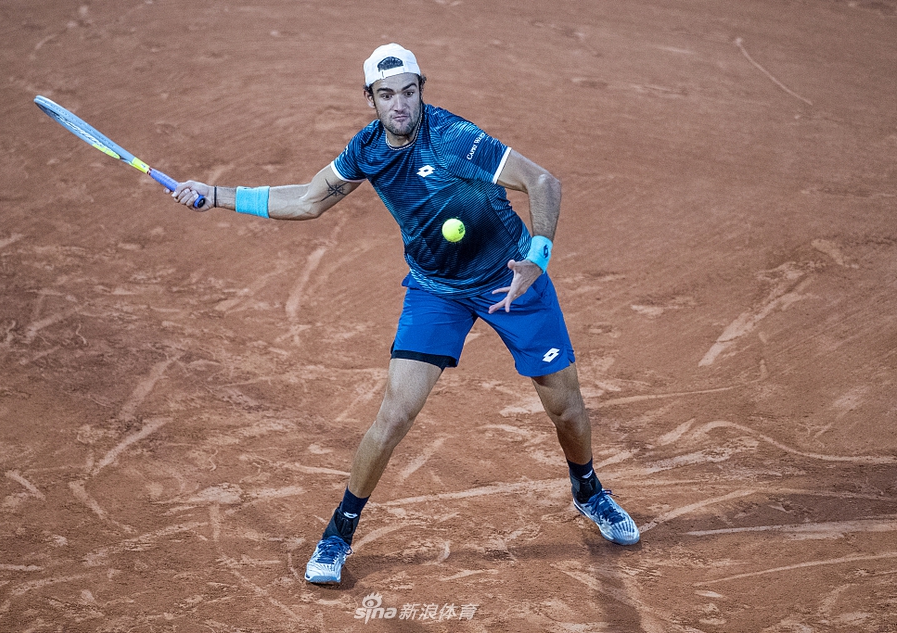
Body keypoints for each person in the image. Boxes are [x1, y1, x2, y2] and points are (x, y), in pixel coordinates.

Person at [172, 43, 639, 585]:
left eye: (409, 92)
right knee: (394, 416)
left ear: (421, 91)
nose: (400, 104)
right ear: (370, 99)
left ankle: (588, 490)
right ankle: (338, 533)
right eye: (387, 94)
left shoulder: (456, 138)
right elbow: (308, 200)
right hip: (436, 290)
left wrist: (537, 258)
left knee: (565, 409)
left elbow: (543, 182)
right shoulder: (367, 150)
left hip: (510, 277)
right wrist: (216, 195)